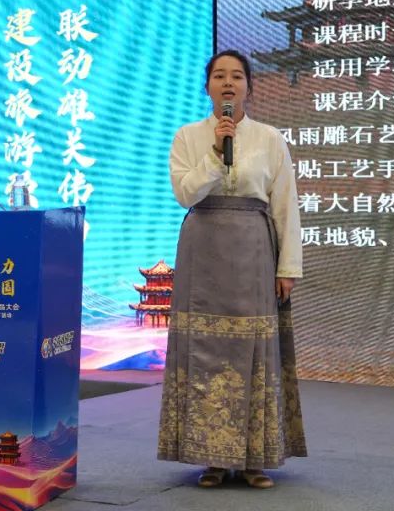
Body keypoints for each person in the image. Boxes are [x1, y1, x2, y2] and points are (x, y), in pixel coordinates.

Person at [157, 49, 307, 489]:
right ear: (207, 87)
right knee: (205, 351)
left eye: (237, 76)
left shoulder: (269, 138)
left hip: (253, 250)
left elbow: (285, 205)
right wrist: (214, 153)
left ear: (248, 87)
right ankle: (212, 459)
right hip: (202, 251)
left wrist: (288, 266)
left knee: (254, 352)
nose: (228, 83)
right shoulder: (188, 136)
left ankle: (255, 458)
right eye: (219, 76)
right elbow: (185, 194)